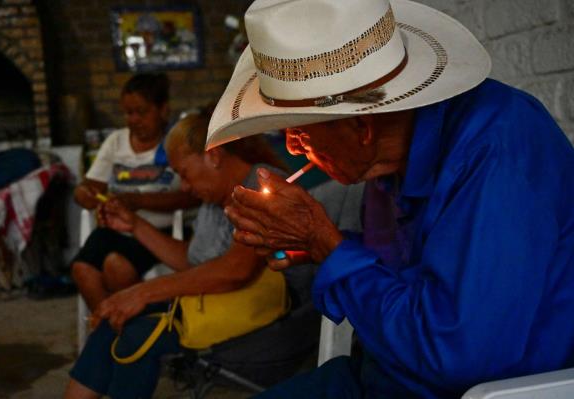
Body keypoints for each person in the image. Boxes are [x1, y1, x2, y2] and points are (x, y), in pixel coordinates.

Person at [206, 0, 574, 397]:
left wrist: (324, 243)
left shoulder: (498, 149)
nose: (293, 149)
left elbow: (454, 356)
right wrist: (318, 246)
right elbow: (412, 270)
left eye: (298, 131)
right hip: (382, 375)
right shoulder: (384, 166)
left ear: (361, 126)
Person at [64, 109, 290, 399]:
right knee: (114, 321)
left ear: (214, 156)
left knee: (137, 333)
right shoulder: (214, 199)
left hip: (264, 315)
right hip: (214, 301)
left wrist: (143, 293)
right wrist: (134, 225)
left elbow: (237, 270)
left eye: (184, 173)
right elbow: (193, 261)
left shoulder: (262, 186)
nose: (184, 187)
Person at [71, 73, 199, 312]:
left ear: (163, 110)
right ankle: (110, 333)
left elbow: (192, 197)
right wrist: (83, 194)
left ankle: (136, 334)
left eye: (142, 112)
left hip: (160, 231)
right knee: (81, 269)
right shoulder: (115, 142)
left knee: (116, 267)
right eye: (129, 113)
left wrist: (138, 201)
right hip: (112, 230)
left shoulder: (176, 143)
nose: (134, 120)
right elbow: (89, 187)